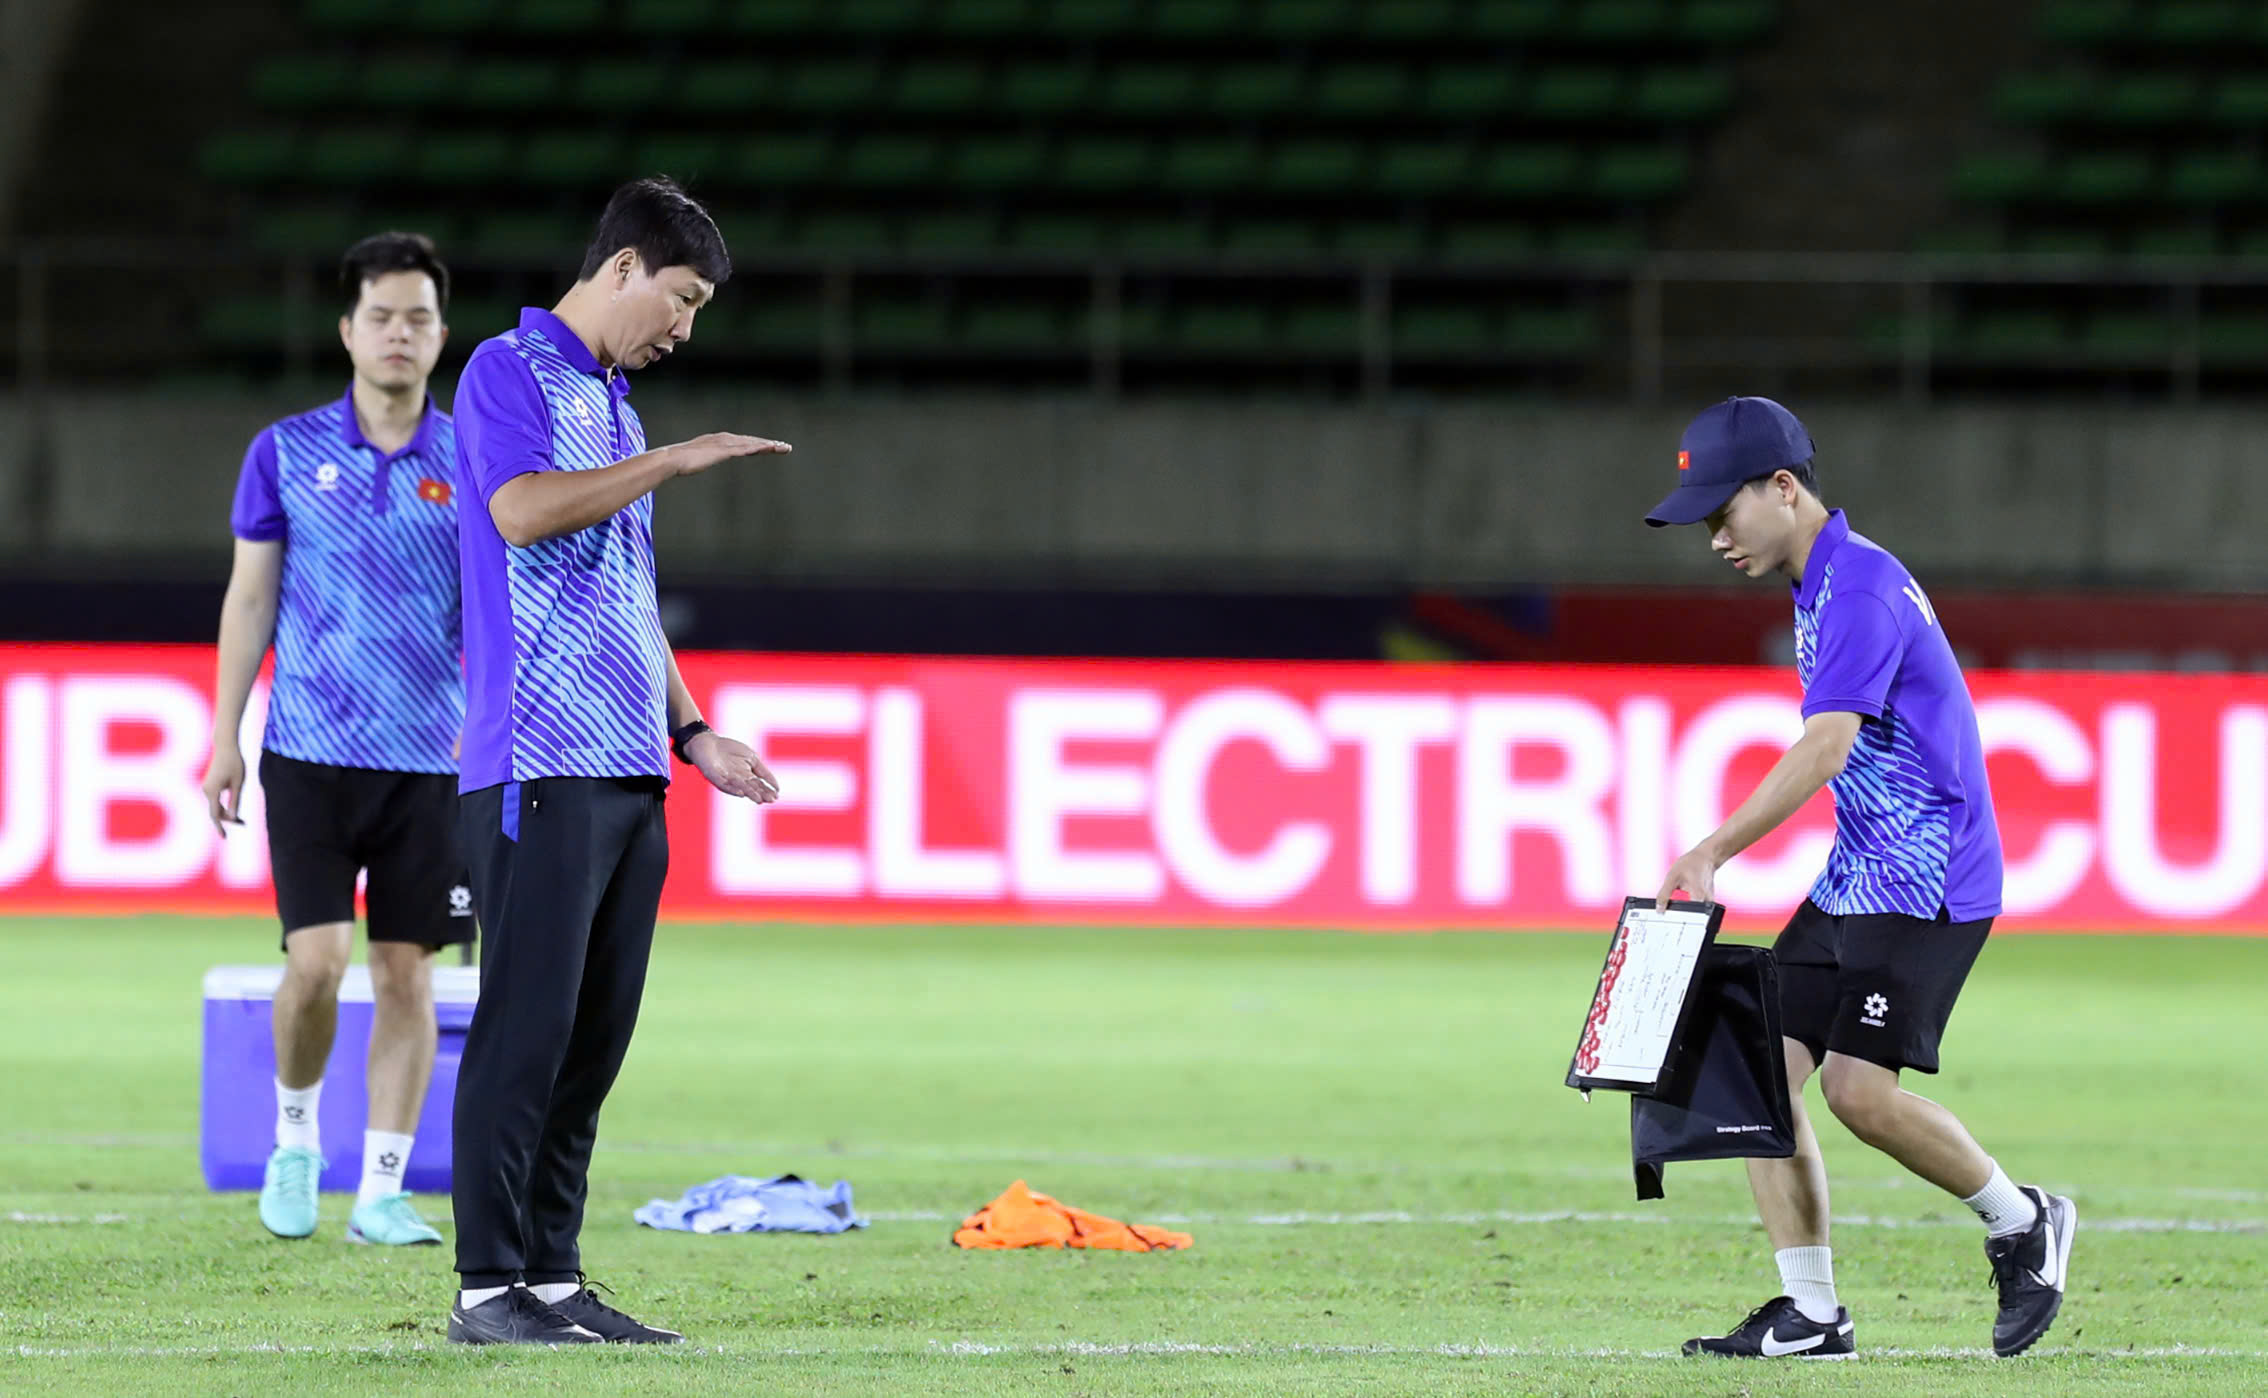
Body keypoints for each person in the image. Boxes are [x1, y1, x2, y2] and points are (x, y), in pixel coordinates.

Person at [1645, 396, 2075, 1360]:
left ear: (1785, 488)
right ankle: (1811, 1314)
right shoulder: (1821, 582)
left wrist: (1711, 850)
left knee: (1858, 1094)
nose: (1715, 536)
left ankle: (2023, 1222)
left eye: (1724, 513)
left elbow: (1826, 749)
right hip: (1861, 875)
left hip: (1930, 879)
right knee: (1756, 1079)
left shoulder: (1861, 591)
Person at [445, 176, 790, 1346]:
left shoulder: (616, 408)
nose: (685, 328)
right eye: (682, 299)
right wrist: (674, 462)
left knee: (591, 1045)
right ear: (625, 268)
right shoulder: (506, 372)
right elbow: (520, 514)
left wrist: (693, 732)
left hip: (630, 767)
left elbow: (630, 603)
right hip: (536, 759)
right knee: (523, 1031)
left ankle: (551, 1276)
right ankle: (487, 1288)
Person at [202, 232, 468, 1248]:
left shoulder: (473, 461)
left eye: (418, 318)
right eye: (381, 316)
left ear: (442, 337)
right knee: (314, 964)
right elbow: (250, 593)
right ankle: (296, 1140)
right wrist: (225, 735)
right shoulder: (284, 450)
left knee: (408, 976)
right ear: (347, 330)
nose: (399, 334)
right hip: (309, 753)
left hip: (431, 763)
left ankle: (383, 1192)